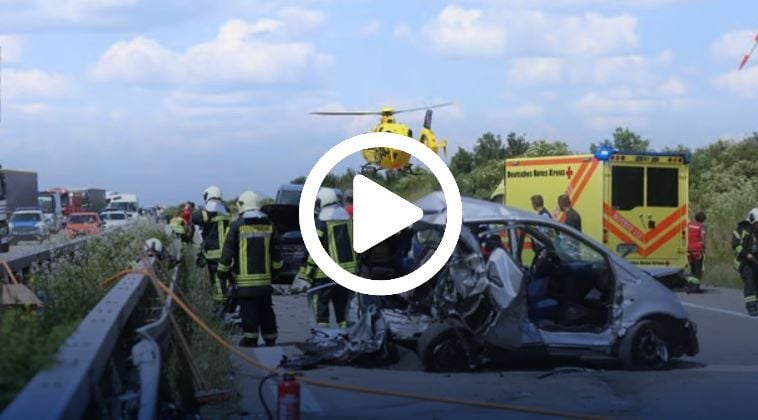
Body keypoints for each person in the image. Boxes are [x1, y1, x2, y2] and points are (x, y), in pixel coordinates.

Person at [217, 191, 282, 347]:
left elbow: (227, 253)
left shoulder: (236, 226)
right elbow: (276, 253)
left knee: (249, 310)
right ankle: (270, 337)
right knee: (266, 309)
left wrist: (222, 272)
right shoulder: (269, 225)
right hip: (264, 280)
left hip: (245, 281)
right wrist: (274, 273)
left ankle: (251, 338)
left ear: (242, 205)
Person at [297, 188, 356, 328]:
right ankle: (346, 336)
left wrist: (305, 275)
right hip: (347, 274)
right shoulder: (348, 220)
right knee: (343, 311)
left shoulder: (320, 223)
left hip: (324, 276)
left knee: (321, 310)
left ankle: (322, 338)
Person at [191, 186, 231, 304]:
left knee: (217, 279)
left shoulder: (207, 211)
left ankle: (220, 305)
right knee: (225, 277)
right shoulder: (226, 210)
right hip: (227, 250)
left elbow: (195, 218)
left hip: (214, 253)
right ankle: (228, 299)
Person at [732, 208, 758, 316]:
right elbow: (735, 245)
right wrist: (746, 254)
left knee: (756, 283)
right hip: (744, 262)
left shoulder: (756, 231)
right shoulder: (742, 230)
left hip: (754, 262)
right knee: (750, 283)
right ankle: (751, 307)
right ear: (752, 220)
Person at [687, 211, 707, 293]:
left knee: (692, 268)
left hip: (689, 249)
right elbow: (702, 237)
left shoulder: (689, 225)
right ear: (703, 220)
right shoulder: (701, 226)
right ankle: (695, 288)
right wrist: (704, 247)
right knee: (698, 269)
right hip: (697, 249)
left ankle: (690, 286)